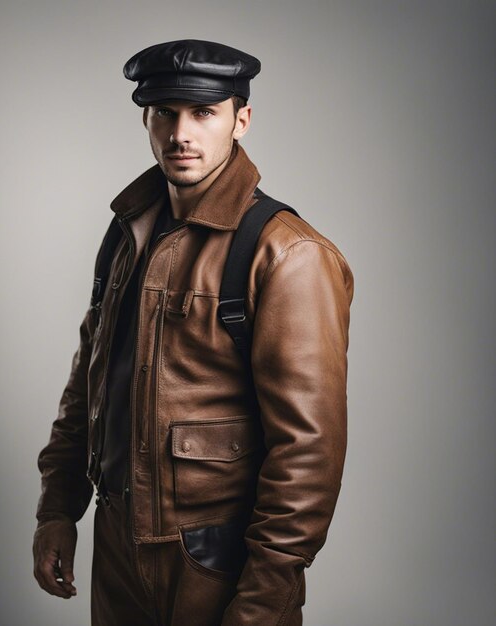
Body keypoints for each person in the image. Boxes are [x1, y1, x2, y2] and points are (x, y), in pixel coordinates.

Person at [33, 39, 354, 626]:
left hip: (216, 568)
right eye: (165, 113)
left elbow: (307, 453)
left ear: (242, 120)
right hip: (118, 554)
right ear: (146, 120)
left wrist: (262, 602)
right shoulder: (127, 232)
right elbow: (90, 380)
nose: (182, 133)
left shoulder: (288, 254)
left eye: (203, 112)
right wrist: (57, 509)